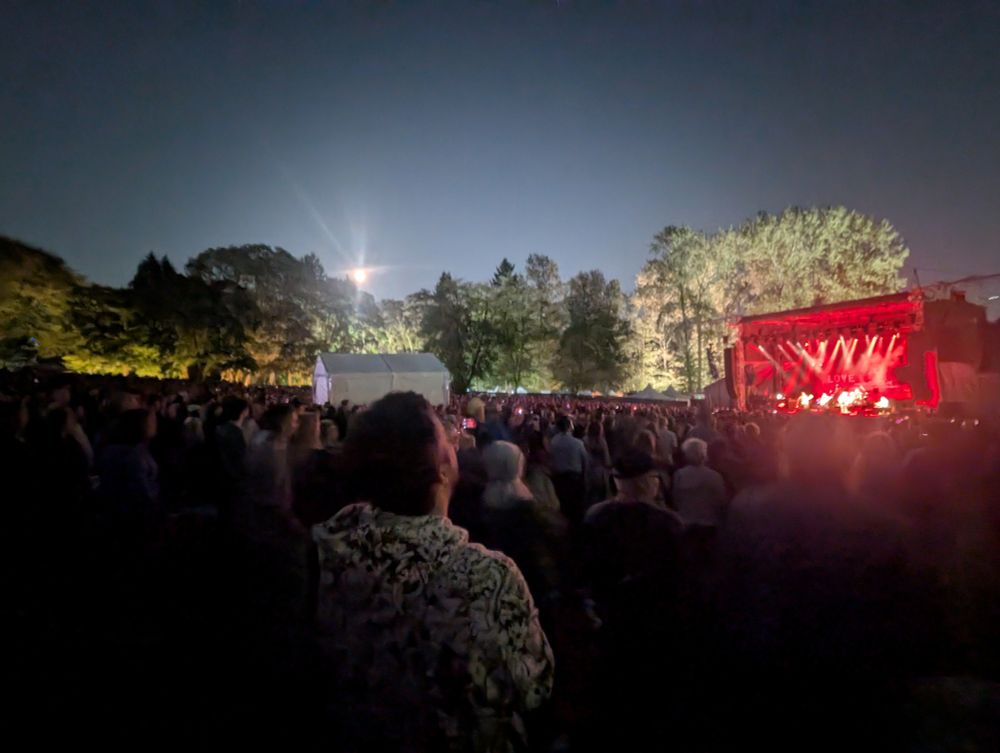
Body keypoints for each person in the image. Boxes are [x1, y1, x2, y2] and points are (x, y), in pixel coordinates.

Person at [313, 392, 554, 752]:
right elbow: (534, 686)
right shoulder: (487, 577)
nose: (456, 444)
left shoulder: (322, 549)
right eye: (447, 439)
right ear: (440, 469)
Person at [673, 437, 728, 529]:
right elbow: (721, 501)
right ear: (704, 454)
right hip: (708, 523)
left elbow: (676, 499)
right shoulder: (714, 476)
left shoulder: (679, 474)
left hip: (685, 522)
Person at [549, 415, 589, 526]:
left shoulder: (554, 441)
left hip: (559, 479)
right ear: (569, 426)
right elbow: (585, 461)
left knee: (563, 508)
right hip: (574, 479)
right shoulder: (577, 443)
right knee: (576, 510)